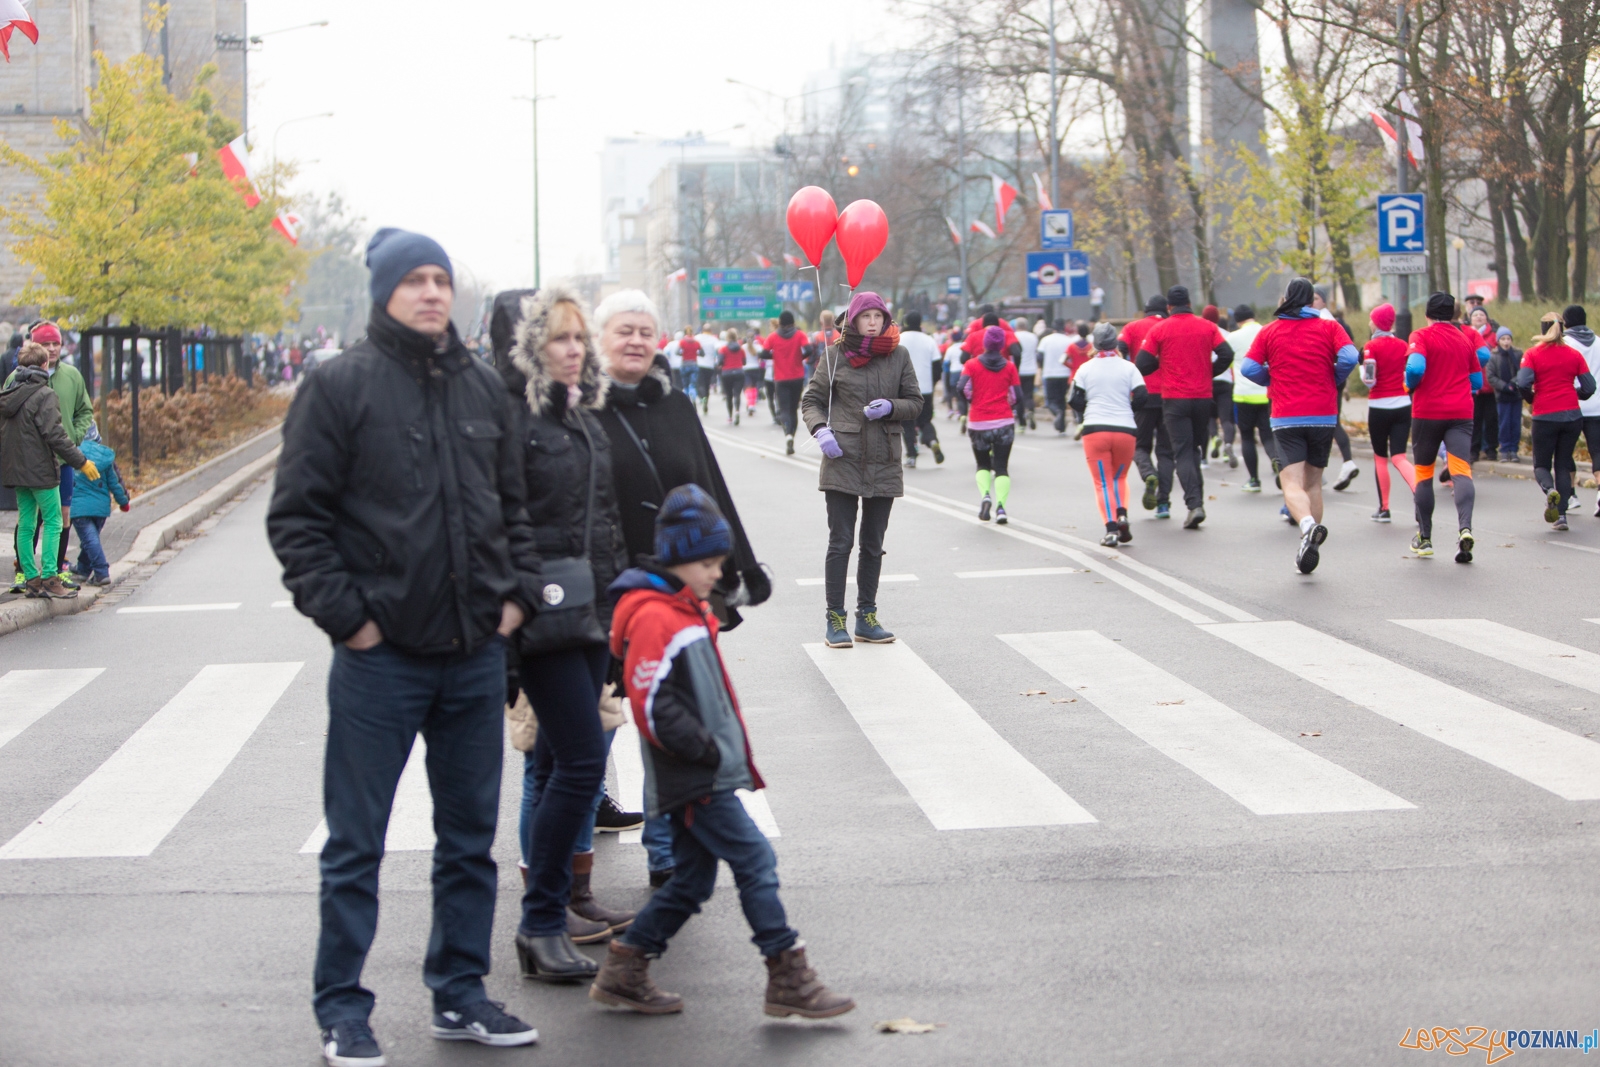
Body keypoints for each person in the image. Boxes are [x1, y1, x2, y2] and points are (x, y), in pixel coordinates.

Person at [267, 228, 540, 1063]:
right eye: (414, 280)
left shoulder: (483, 388)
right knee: (357, 844)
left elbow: (516, 508)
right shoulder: (338, 385)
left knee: (469, 842)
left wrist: (514, 602)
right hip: (379, 661)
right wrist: (352, 621)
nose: (431, 292)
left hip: (471, 656)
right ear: (384, 291)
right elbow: (298, 522)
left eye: (440, 279)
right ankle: (343, 1008)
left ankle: (459, 992)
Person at [590, 485, 854, 1020]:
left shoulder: (683, 608)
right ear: (680, 559)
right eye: (709, 563)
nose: (716, 573)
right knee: (755, 860)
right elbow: (652, 702)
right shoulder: (655, 616)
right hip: (692, 775)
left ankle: (625, 967)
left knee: (691, 881)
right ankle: (787, 975)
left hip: (698, 770)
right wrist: (707, 752)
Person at [591, 289, 771, 888]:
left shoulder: (675, 407)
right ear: (601, 339)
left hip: (671, 594)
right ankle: (588, 798)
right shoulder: (579, 407)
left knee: (663, 719)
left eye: (646, 330)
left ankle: (663, 850)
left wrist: (738, 568)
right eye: (624, 331)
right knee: (590, 715)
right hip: (599, 590)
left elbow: (708, 485)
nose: (637, 340)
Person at [496, 286, 639, 983]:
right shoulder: (517, 424)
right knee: (581, 764)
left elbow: (606, 526)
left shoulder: (585, 421)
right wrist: (511, 635)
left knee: (560, 766)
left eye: (580, 338)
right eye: (559, 338)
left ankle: (547, 921)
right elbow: (501, 526)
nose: (574, 349)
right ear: (533, 349)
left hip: (588, 614)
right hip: (541, 620)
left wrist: (615, 619)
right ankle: (541, 920)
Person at [801, 291, 921, 648]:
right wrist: (820, 430)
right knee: (840, 542)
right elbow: (812, 400)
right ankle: (834, 619)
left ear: (887, 319)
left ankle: (866, 616)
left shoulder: (899, 355)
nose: (873, 322)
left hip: (884, 459)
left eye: (878, 316)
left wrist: (891, 407)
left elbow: (915, 402)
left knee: (873, 544)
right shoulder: (834, 355)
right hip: (843, 458)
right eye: (866, 316)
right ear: (852, 320)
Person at [1239, 278, 1360, 574]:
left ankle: (1306, 526)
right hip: (1323, 414)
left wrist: (1273, 377)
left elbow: (1248, 368)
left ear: (1285, 298)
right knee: (1314, 482)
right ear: (1311, 300)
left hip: (1287, 414)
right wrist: (1333, 376)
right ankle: (1310, 543)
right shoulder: (1329, 327)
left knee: (1291, 481)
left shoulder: (1271, 331)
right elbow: (1350, 356)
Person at [1, 341, 97, 599]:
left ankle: (30, 578)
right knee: (54, 521)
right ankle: (51, 579)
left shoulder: (8, 394)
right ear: (45, 365)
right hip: (41, 471)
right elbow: (56, 436)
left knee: (26, 524)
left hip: (16, 471)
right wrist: (81, 461)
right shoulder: (45, 395)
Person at [1402, 291, 1492, 562]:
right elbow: (1476, 380)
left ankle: (1425, 538)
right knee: (1462, 471)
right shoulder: (1465, 339)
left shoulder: (1421, 336)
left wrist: (1411, 384)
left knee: (1424, 473)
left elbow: (1416, 367)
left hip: (1428, 412)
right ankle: (1465, 529)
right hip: (1461, 413)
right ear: (1453, 313)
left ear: (1428, 314)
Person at [1135, 286, 1234, 529]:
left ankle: (1194, 505)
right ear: (1189, 303)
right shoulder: (1208, 326)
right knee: (1195, 450)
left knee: (1183, 452)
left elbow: (1142, 363)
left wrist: (1164, 363)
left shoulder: (1160, 329)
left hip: (1174, 399)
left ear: (1169, 307)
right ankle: (1196, 503)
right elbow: (1226, 354)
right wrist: (1208, 373)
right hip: (1202, 398)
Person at [1516, 313, 1596, 530]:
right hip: (1572, 416)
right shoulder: (1574, 354)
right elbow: (1589, 388)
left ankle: (1550, 490)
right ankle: (1561, 516)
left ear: (1543, 329)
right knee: (1563, 463)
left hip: (1545, 416)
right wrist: (1572, 393)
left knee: (1541, 464)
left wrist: (1532, 398)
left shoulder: (1533, 354)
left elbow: (1522, 383)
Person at [1071, 322, 1147, 547]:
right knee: (1120, 477)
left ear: (1094, 343)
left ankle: (1111, 529)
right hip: (1125, 430)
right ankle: (1122, 514)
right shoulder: (1129, 367)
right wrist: (1128, 412)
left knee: (1102, 482)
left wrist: (1088, 412)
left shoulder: (1085, 368)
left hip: (1095, 431)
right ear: (1116, 343)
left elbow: (1074, 399)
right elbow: (1142, 396)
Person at [1359, 304, 1418, 523]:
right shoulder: (1403, 345)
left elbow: (1370, 380)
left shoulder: (1371, 346)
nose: (1369, 323)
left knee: (1380, 457)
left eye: (1371, 319)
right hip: (1402, 405)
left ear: (1376, 323)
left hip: (1379, 407)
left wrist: (1362, 370)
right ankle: (1418, 491)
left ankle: (1384, 508)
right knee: (1400, 456)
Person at [961, 325, 1023, 525]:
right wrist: (1007, 405)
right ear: (1002, 345)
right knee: (1002, 468)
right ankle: (1001, 508)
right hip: (1004, 422)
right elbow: (1017, 396)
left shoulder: (971, 365)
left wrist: (972, 400)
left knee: (982, 465)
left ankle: (986, 495)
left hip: (979, 422)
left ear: (985, 343)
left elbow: (962, 387)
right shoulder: (1010, 367)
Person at [1121, 295, 1173, 517]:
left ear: (1146, 311)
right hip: (1171, 395)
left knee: (1140, 445)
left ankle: (1147, 473)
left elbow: (1119, 347)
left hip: (1142, 394)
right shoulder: (1171, 327)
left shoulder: (1132, 327)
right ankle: (1163, 503)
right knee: (1166, 451)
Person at [1310, 286, 1362, 492]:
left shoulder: (1324, 322)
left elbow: (1349, 354)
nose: (1312, 302)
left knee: (1324, 422)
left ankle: (1317, 471)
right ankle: (1346, 463)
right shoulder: (1339, 324)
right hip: (1334, 377)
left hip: (1324, 379)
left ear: (1324, 301)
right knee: (1332, 421)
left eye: (1315, 298)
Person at [66, 425, 129, 586]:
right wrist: (123, 502)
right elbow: (115, 483)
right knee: (90, 539)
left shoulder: (72, 453)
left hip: (79, 508)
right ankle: (83, 570)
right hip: (101, 509)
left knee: (89, 540)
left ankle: (101, 572)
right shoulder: (105, 456)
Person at [1227, 305, 1275, 492]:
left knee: (1247, 437)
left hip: (1243, 394)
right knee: (1268, 435)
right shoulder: (1267, 332)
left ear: (1238, 321)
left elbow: (1228, 362)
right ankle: (1276, 462)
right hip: (1266, 393)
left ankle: (1254, 480)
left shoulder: (1233, 338)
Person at [1563, 305, 1600, 517]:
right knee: (1597, 450)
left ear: (1565, 322)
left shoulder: (1565, 343)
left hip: (1572, 404)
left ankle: (1570, 495)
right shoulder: (1599, 342)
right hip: (1597, 405)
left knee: (1565, 450)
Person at [899, 311, 944, 468]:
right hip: (925, 387)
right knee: (925, 420)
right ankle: (932, 441)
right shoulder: (929, 340)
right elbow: (937, 366)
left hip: (904, 387)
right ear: (920, 322)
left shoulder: (899, 339)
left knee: (908, 422)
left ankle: (911, 455)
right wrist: (932, 382)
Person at [764, 311, 810, 455]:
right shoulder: (799, 335)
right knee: (793, 409)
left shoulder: (773, 336)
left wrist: (775, 356)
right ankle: (792, 435)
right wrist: (800, 357)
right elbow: (808, 349)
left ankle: (787, 435)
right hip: (797, 377)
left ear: (780, 322)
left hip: (780, 378)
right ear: (793, 321)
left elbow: (763, 353)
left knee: (784, 409)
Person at [1201, 305, 1238, 468]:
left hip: (1208, 380)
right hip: (1225, 380)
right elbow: (1230, 356)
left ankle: (1214, 436)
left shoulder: (1202, 332)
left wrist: (1209, 371)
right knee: (1226, 418)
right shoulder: (1228, 335)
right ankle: (1228, 444)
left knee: (1209, 416)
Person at [1466, 306, 1499, 460]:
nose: (1478, 317)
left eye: (1482, 314)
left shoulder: (1494, 335)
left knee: (1492, 419)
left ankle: (1491, 449)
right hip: (1471, 386)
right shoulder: (1465, 334)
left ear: (1487, 318)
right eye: (1475, 315)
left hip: (1490, 386)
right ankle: (1473, 450)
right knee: (1474, 419)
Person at [1487, 326, 1523, 463]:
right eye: (1503, 339)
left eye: (1508, 339)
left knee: (1515, 423)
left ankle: (1514, 449)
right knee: (1504, 423)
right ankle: (1504, 449)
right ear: (1498, 341)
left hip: (1516, 394)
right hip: (1502, 395)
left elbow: (1522, 371)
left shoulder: (1518, 354)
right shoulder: (1494, 356)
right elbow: (1491, 376)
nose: (1506, 342)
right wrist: (1503, 386)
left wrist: (1513, 384)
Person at [1039, 319, 1075, 434]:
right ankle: (1061, 425)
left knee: (1050, 401)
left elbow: (1039, 356)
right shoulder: (1068, 340)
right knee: (1061, 400)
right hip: (1064, 374)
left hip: (1049, 373)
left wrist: (1043, 366)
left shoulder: (1046, 340)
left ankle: (1057, 413)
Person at [1013, 317, 1039, 430]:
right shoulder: (1033, 337)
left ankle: (1022, 423)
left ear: (1016, 326)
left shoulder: (1014, 336)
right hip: (1031, 369)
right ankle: (1031, 410)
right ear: (1027, 326)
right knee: (1028, 394)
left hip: (1017, 370)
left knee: (1018, 397)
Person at [718, 330, 746, 425]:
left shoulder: (723, 349)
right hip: (739, 372)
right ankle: (737, 411)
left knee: (729, 396)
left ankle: (730, 416)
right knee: (737, 394)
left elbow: (720, 362)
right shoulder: (741, 349)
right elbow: (744, 362)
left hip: (727, 373)